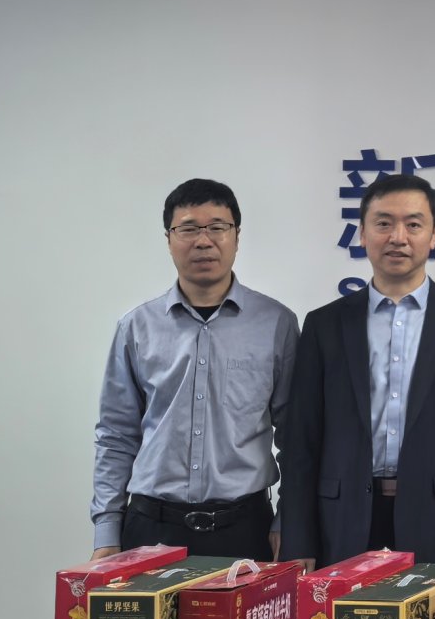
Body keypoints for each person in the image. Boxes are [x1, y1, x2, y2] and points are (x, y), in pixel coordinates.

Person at [279, 173, 435, 569]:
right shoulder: (324, 325)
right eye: (383, 223)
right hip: (342, 521)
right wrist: (299, 540)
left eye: (413, 225)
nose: (398, 237)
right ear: (362, 233)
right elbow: (301, 443)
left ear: (434, 235)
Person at [91, 178, 298, 562]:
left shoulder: (276, 323)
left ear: (236, 236)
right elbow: (116, 434)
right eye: (188, 229)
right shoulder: (137, 327)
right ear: (169, 239)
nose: (204, 241)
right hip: (151, 527)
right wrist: (106, 529)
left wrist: (288, 519)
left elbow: (295, 435)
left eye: (217, 227)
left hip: (246, 529)